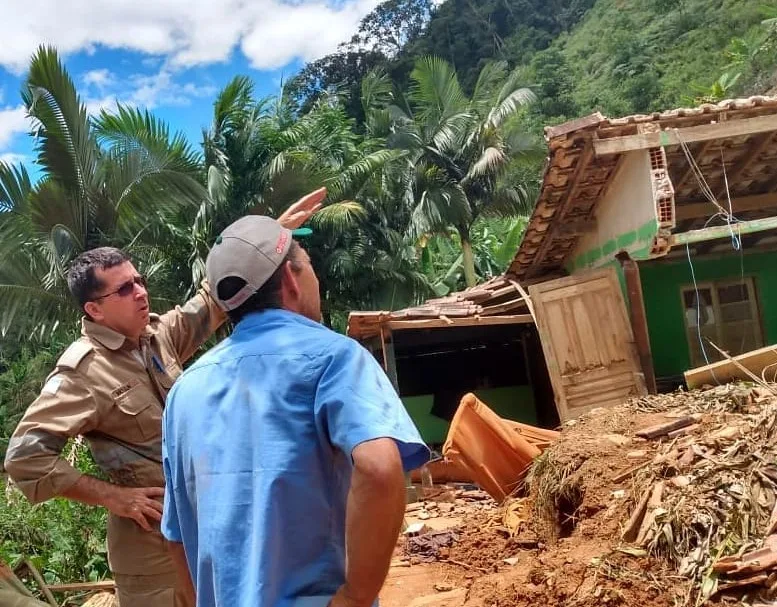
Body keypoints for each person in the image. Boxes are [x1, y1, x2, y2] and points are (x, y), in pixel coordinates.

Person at [3, 188, 326, 607]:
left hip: (200, 534)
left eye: (139, 281)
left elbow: (212, 301)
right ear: (93, 311)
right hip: (150, 556)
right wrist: (114, 497)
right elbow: (25, 458)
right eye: (123, 290)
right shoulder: (83, 372)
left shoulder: (157, 338)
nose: (140, 292)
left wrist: (270, 237)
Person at [161, 215, 429, 607]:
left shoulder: (184, 391)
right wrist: (355, 597)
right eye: (312, 267)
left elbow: (175, 530)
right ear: (291, 278)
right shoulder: (335, 358)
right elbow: (380, 468)